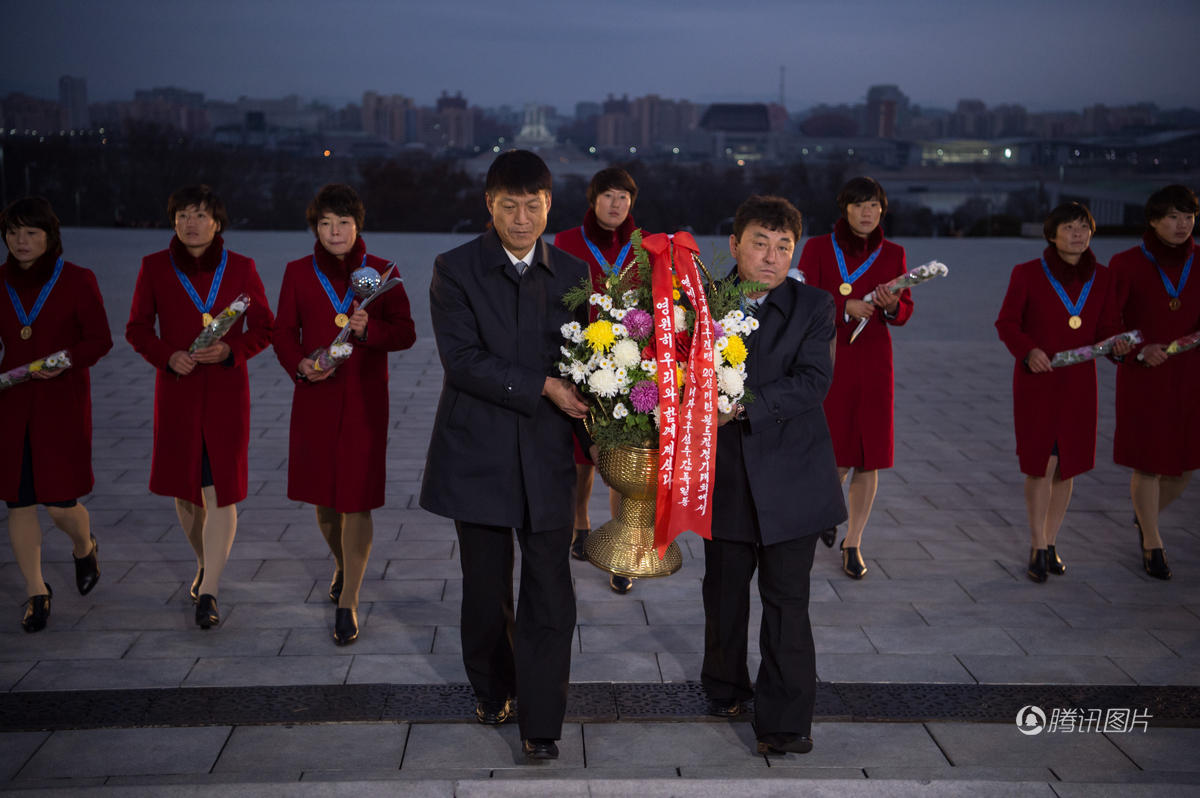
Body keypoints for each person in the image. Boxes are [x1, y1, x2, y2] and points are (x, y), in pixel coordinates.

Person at [419, 150, 590, 762]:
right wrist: (543, 385)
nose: (522, 218)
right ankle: (493, 688)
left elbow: (587, 362)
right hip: (479, 451)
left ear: (550, 206)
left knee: (550, 589)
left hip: (546, 455)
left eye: (533, 205)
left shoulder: (574, 272)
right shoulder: (455, 268)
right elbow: (461, 361)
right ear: (489, 205)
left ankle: (542, 723)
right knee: (486, 588)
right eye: (510, 206)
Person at [705, 195, 846, 755]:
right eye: (759, 243)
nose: (770, 256)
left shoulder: (813, 306)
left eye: (783, 246)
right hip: (727, 476)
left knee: (787, 601)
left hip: (793, 478)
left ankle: (786, 722)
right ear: (735, 244)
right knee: (723, 592)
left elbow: (813, 381)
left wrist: (738, 406)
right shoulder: (705, 301)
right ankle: (724, 687)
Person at [274, 184, 416, 645]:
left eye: (344, 223)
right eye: (326, 224)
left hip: (363, 402)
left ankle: (349, 599)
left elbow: (406, 333)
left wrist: (370, 328)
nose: (335, 232)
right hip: (315, 396)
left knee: (356, 499)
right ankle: (342, 562)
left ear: (359, 226)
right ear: (316, 228)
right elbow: (282, 333)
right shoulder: (298, 273)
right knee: (326, 503)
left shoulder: (382, 272)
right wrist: (299, 363)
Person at [126, 185, 274, 628]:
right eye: (183, 215)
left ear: (218, 222)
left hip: (227, 392)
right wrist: (165, 354)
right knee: (186, 494)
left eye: (201, 215)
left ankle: (209, 590)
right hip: (178, 391)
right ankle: (206, 564)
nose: (191, 223)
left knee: (220, 490)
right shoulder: (154, 267)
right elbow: (136, 327)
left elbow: (266, 326)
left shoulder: (242, 267)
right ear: (173, 222)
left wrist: (233, 351)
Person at [995, 203, 1130, 582]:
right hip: (1039, 380)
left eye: (1083, 227)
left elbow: (1108, 325)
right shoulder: (1027, 274)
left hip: (1079, 385)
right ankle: (1037, 544)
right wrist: (1028, 351)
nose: (1077, 234)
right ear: (1052, 235)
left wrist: (1116, 344)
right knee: (1043, 462)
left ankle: (1052, 541)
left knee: (1067, 464)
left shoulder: (1102, 278)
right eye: (1068, 228)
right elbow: (1006, 322)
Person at [1, 197, 112, 632]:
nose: (21, 241)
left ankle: (84, 546)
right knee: (19, 501)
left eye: (30, 233)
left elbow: (100, 340)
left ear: (50, 237)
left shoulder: (78, 281)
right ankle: (36, 592)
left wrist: (62, 360)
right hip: (10, 409)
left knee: (61, 505)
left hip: (59, 405)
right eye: (12, 233)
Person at [798, 177, 913, 579]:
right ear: (844, 208)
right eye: (860, 205)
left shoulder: (894, 252)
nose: (868, 213)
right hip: (830, 361)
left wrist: (893, 305)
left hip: (874, 362)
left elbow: (905, 312)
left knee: (869, 458)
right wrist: (844, 306)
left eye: (875, 206)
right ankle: (827, 511)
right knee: (835, 455)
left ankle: (854, 542)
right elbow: (803, 301)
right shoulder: (817, 248)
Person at [552, 166, 637, 594]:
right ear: (592, 200)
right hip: (580, 362)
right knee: (582, 457)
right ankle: (580, 522)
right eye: (608, 196)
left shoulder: (646, 247)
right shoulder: (566, 242)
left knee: (623, 459)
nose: (616, 204)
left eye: (624, 197)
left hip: (631, 366)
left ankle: (621, 544)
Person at [1109, 184, 1199, 580]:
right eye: (1173, 218)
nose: (1182, 225)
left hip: (1189, 373)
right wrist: (1139, 350)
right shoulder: (1126, 263)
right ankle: (1152, 544)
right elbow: (1110, 323)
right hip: (1145, 373)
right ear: (1153, 221)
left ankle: (1144, 517)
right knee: (1148, 463)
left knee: (1182, 468)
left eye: (1189, 217)